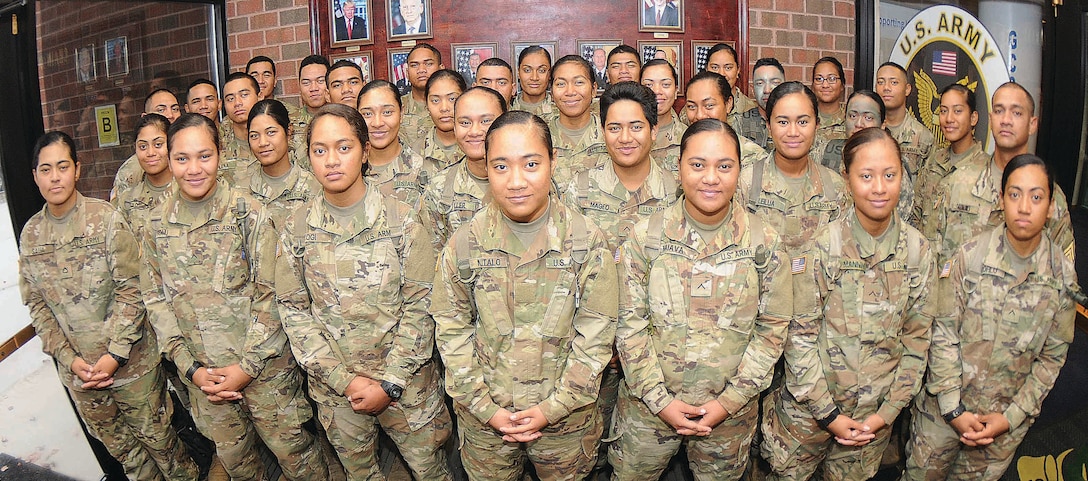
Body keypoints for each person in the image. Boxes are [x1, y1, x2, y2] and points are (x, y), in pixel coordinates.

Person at [431, 110, 618, 480]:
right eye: (500, 166)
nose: (516, 181)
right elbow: (451, 330)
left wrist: (554, 408)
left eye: (531, 163)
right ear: (486, 167)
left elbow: (596, 336)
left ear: (553, 162)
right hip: (487, 421)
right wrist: (486, 408)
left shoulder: (586, 241)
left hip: (565, 423)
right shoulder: (465, 244)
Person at [141, 113, 327, 481]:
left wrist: (247, 367)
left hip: (266, 373)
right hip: (206, 379)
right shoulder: (155, 226)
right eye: (182, 158)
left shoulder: (249, 214)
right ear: (169, 159)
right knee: (239, 466)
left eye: (204, 156)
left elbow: (273, 295)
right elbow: (155, 301)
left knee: (297, 461)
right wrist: (190, 369)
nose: (194, 168)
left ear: (220, 154)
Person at [274, 103, 453, 481]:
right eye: (319, 150)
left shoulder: (403, 219)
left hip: (406, 385)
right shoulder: (297, 227)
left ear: (365, 151)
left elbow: (423, 305)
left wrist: (390, 381)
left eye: (344, 147)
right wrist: (344, 380)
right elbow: (293, 311)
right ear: (308, 158)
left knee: (429, 471)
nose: (331, 160)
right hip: (338, 391)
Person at [609, 118, 791, 481]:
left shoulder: (764, 243)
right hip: (647, 413)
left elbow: (772, 332)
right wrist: (661, 401)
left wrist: (727, 403)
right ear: (679, 168)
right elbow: (629, 326)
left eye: (725, 166)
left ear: (739, 170)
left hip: (728, 420)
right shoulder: (646, 238)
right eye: (698, 165)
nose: (711, 177)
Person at [21, 131, 200, 481]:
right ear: (35, 176)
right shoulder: (31, 235)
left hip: (131, 366)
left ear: (77, 170)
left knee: (163, 446)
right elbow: (38, 308)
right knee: (126, 455)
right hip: (81, 375)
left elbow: (133, 291)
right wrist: (70, 359)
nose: (55, 177)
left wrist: (114, 355)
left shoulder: (105, 220)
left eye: (62, 166)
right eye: (45, 169)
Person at [762, 127, 935, 481]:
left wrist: (886, 413)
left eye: (890, 175)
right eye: (866, 176)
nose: (879, 187)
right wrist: (828, 413)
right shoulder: (824, 245)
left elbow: (917, 341)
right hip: (807, 417)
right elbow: (799, 337)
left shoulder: (918, 252)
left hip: (871, 421)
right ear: (846, 178)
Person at [904, 154, 1076, 481]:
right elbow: (942, 331)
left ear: (1051, 205)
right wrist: (953, 407)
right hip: (943, 414)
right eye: (1014, 194)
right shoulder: (970, 257)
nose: (1024, 207)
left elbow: (1052, 358)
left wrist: (1011, 417)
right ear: (1001, 199)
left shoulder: (1062, 279)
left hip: (1001, 425)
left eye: (1036, 197)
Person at [559, 82, 678, 476]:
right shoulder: (575, 190)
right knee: (582, 452)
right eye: (614, 127)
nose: (625, 138)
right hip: (588, 350)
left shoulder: (680, 190)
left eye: (636, 126)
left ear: (654, 130)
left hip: (657, 354)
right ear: (601, 130)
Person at [929, 82, 1074, 264]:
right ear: (990, 120)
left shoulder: (1048, 196)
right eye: (998, 111)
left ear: (1032, 124)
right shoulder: (958, 181)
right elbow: (934, 258)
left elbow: (1063, 276)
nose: (1005, 119)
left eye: (1016, 113)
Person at [735, 81, 847, 256]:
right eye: (783, 122)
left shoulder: (835, 187)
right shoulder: (746, 183)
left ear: (817, 125)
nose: (793, 132)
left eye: (802, 122)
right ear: (769, 126)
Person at [423, 85, 507, 249]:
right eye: (465, 122)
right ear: (454, 128)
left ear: (505, 122)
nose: (475, 131)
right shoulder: (438, 189)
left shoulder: (528, 182)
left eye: (485, 121)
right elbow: (434, 259)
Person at [913, 84, 987, 237]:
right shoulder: (934, 161)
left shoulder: (986, 170)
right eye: (943, 111)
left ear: (973, 118)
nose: (949, 119)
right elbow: (916, 212)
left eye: (957, 111)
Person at [242, 99, 321, 226]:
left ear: (288, 132)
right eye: (254, 135)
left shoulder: (313, 187)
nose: (262, 143)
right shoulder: (241, 191)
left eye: (271, 132)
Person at [357, 79, 429, 208]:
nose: (377, 123)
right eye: (367, 114)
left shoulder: (423, 169)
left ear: (401, 114)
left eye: (387, 112)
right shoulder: (348, 170)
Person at [683, 71, 771, 172]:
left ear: (728, 104)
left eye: (709, 105)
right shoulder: (679, 151)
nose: (699, 115)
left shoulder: (754, 158)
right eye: (691, 106)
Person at [110, 89, 183, 200]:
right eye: (161, 109)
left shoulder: (193, 157)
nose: (170, 115)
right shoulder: (131, 170)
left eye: (175, 109)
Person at [112, 114, 175, 240]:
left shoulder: (188, 190)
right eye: (143, 147)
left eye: (158, 145)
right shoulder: (127, 199)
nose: (150, 153)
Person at [547, 55, 606, 188]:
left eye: (579, 82)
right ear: (551, 92)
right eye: (561, 84)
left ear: (594, 89)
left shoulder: (611, 134)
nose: (570, 92)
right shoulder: (538, 136)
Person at [876, 62, 934, 179]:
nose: (886, 88)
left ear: (907, 89)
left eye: (894, 82)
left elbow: (927, 186)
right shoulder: (867, 129)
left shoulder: (923, 137)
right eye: (880, 82)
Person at [420, 69, 467, 179]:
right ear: (426, 104)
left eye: (452, 99)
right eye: (435, 100)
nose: (444, 108)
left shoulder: (478, 147)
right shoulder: (413, 153)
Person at [219, 72, 262, 185]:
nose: (237, 103)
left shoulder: (279, 142)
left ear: (260, 96)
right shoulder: (218, 148)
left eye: (244, 95)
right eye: (230, 99)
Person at [640, 59, 683, 170]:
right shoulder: (625, 135)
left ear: (675, 91)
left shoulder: (688, 138)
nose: (657, 91)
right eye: (649, 85)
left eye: (666, 84)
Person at [400, 43, 445, 149]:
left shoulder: (455, 105)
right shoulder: (396, 107)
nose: (421, 70)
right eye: (414, 65)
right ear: (407, 73)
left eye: (428, 64)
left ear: (441, 68)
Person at [703, 43, 757, 128]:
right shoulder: (695, 108)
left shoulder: (751, 108)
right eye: (715, 67)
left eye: (728, 68)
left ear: (738, 70)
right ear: (706, 69)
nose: (721, 73)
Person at [737, 58, 785, 151]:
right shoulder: (739, 124)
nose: (767, 90)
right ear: (752, 90)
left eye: (774, 82)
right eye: (760, 83)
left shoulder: (795, 123)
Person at [510, 46, 556, 116]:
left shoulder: (561, 108)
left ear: (549, 74)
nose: (534, 78)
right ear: (518, 73)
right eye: (527, 70)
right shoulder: (507, 109)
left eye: (541, 70)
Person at [812, 57, 847, 140]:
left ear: (842, 85)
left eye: (832, 79)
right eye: (819, 79)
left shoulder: (851, 117)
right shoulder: (805, 116)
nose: (825, 85)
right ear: (813, 85)